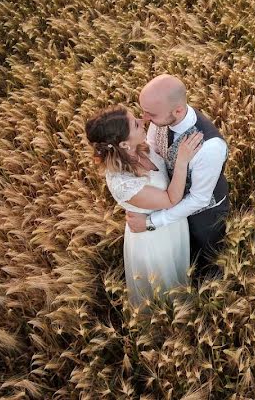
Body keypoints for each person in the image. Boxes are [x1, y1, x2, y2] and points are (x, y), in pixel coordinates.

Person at [85, 104, 203, 313]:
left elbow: (159, 124)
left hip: (172, 226)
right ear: (123, 143)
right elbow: (171, 198)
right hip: (154, 239)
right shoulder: (123, 183)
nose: (142, 120)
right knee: (164, 290)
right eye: (135, 123)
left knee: (180, 270)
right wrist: (182, 160)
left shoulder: (140, 147)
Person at [125, 74, 230, 282]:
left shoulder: (210, 147)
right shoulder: (161, 119)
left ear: (178, 110)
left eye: (150, 114)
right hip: (168, 204)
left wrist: (151, 222)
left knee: (207, 262)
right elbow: (154, 149)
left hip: (203, 216)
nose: (144, 119)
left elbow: (199, 199)